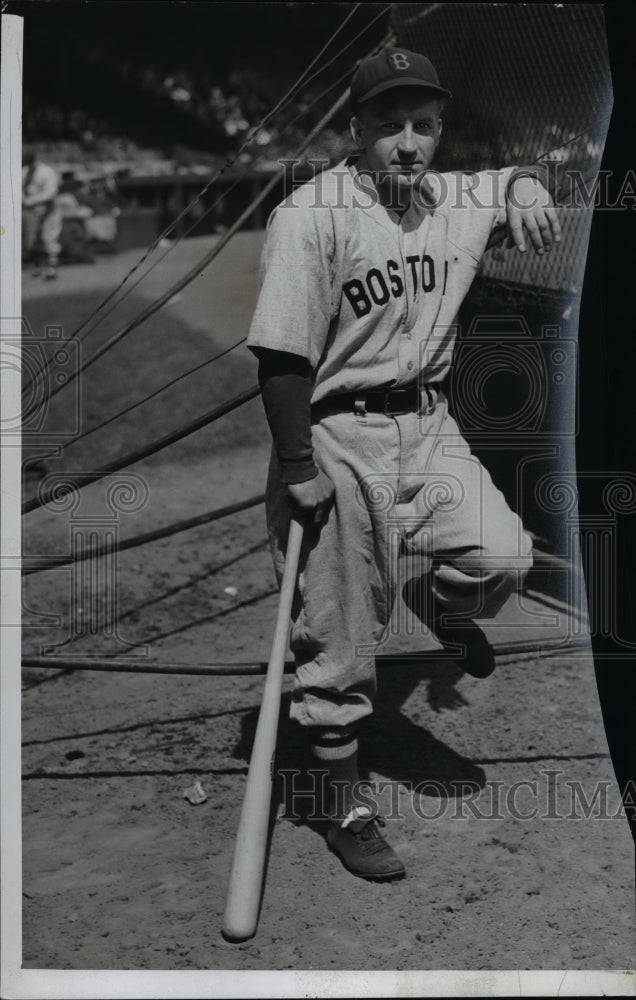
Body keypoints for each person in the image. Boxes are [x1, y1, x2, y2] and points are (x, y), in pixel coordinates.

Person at [247, 47, 561, 881]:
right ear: (357, 131)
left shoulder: (453, 195)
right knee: (342, 639)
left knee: (507, 555)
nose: (409, 144)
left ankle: (440, 603)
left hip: (428, 425)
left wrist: (526, 181)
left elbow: (509, 177)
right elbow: (280, 359)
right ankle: (342, 801)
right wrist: (294, 464)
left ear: (440, 130)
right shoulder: (310, 216)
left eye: (424, 126)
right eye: (389, 127)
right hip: (336, 437)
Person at [22, 146, 62, 280]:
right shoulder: (24, 171)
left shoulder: (46, 171)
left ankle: (52, 267)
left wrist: (30, 201)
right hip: (31, 210)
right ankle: (37, 265)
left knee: (49, 237)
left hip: (48, 208)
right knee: (33, 239)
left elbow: (51, 193)